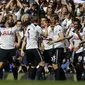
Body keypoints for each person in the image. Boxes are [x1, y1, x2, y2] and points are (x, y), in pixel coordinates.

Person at [21, 15, 48, 80]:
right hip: (34, 48)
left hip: (28, 48)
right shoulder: (37, 27)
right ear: (37, 21)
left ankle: (30, 78)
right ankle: (37, 77)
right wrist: (46, 27)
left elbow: (25, 39)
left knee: (32, 65)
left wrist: (22, 49)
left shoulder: (28, 27)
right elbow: (45, 35)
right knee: (42, 63)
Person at [0, 15, 21, 80]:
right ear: (6, 20)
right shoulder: (1, 28)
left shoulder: (14, 28)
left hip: (11, 49)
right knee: (0, 64)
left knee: (14, 65)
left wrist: (18, 43)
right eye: (9, 19)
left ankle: (15, 79)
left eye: (11, 19)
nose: (11, 20)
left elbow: (18, 36)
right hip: (3, 49)